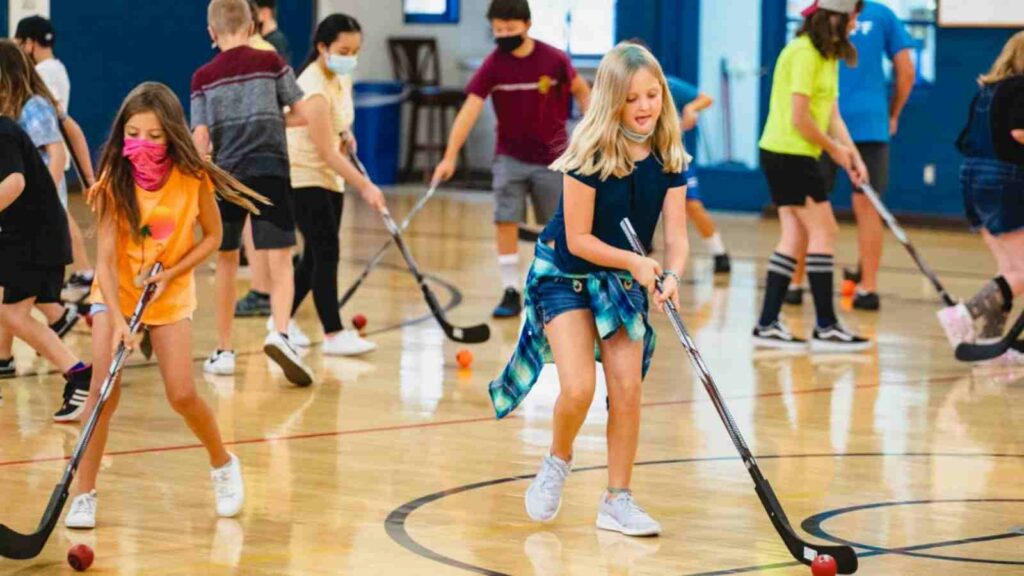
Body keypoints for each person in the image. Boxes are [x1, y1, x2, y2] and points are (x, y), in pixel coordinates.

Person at [489, 43, 689, 536]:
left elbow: (678, 237)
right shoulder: (589, 149)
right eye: (631, 99)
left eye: (652, 94)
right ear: (611, 101)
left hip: (622, 277)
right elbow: (578, 239)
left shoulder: (669, 154)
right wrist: (636, 263)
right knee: (578, 387)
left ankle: (617, 501)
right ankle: (558, 461)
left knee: (628, 389)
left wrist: (672, 276)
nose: (645, 107)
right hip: (564, 273)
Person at [63, 82, 258, 529]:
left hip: (168, 294)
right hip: (116, 296)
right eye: (134, 133)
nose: (143, 144)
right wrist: (116, 320)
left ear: (172, 135)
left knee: (182, 393)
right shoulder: (114, 181)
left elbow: (212, 236)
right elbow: (106, 263)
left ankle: (223, 463)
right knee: (101, 395)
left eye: (154, 136)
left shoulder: (192, 178)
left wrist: (171, 272)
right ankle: (84, 493)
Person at [432, 0, 591, 318]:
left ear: (527, 25)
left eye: (510, 29)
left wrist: (591, 136)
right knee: (505, 219)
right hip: (510, 157)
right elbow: (470, 109)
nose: (504, 35)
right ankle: (510, 291)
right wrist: (449, 156)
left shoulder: (554, 58)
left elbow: (582, 91)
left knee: (556, 226)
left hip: (553, 157)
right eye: (498, 30)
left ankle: (557, 287)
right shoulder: (494, 65)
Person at [191, 0, 312, 384]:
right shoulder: (272, 62)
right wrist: (275, 122)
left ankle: (224, 351)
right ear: (253, 25)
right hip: (271, 170)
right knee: (280, 258)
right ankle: (282, 333)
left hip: (227, 176)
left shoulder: (202, 77)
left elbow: (200, 139)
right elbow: (302, 112)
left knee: (227, 260)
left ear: (212, 33)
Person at [753, 0, 872, 352]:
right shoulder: (803, 53)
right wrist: (835, 151)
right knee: (825, 230)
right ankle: (826, 325)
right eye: (853, 18)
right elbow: (800, 119)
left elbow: (832, 116)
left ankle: (767, 324)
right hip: (789, 153)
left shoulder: (827, 56)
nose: (855, 25)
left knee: (793, 235)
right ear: (835, 18)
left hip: (795, 153)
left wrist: (853, 155)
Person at [785, 0, 916, 310]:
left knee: (808, 206)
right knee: (868, 208)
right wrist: (893, 113)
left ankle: (794, 285)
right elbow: (906, 70)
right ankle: (868, 290)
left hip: (821, 123)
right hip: (870, 122)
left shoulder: (818, 15)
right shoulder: (884, 14)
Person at [285, 14, 386, 356]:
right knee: (327, 252)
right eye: (344, 50)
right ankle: (333, 332)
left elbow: (336, 124)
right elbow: (326, 153)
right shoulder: (311, 87)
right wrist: (366, 186)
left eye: (355, 50)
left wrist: (346, 132)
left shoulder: (340, 76)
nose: (350, 57)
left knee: (314, 255)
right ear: (322, 47)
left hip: (329, 178)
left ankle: (279, 320)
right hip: (304, 176)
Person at [0, 41, 88, 417]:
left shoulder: (5, 128)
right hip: (26, 235)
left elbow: (15, 183)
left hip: (35, 236)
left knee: (14, 315)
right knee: (12, 311)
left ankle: (80, 373)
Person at [937, 31, 1024, 364]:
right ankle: (964, 314)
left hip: (973, 179)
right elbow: (1019, 132)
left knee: (1008, 269)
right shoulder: (1021, 88)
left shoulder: (987, 90)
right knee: (1021, 273)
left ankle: (992, 344)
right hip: (1005, 180)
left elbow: (966, 139)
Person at [14, 15, 97, 302]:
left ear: (28, 43)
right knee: (60, 220)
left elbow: (60, 122)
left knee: (56, 222)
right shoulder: (57, 68)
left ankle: (65, 289)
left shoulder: (38, 79)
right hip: (51, 158)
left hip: (47, 161)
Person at [234, 0, 281, 320]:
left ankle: (264, 291)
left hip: (257, 153)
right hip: (259, 152)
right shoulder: (263, 53)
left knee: (258, 224)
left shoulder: (262, 54)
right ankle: (264, 288)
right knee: (257, 224)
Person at [665, 74, 732, 274]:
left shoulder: (667, 85)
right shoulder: (621, 88)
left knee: (692, 204)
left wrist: (691, 108)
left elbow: (705, 98)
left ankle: (719, 252)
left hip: (674, 155)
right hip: (641, 156)